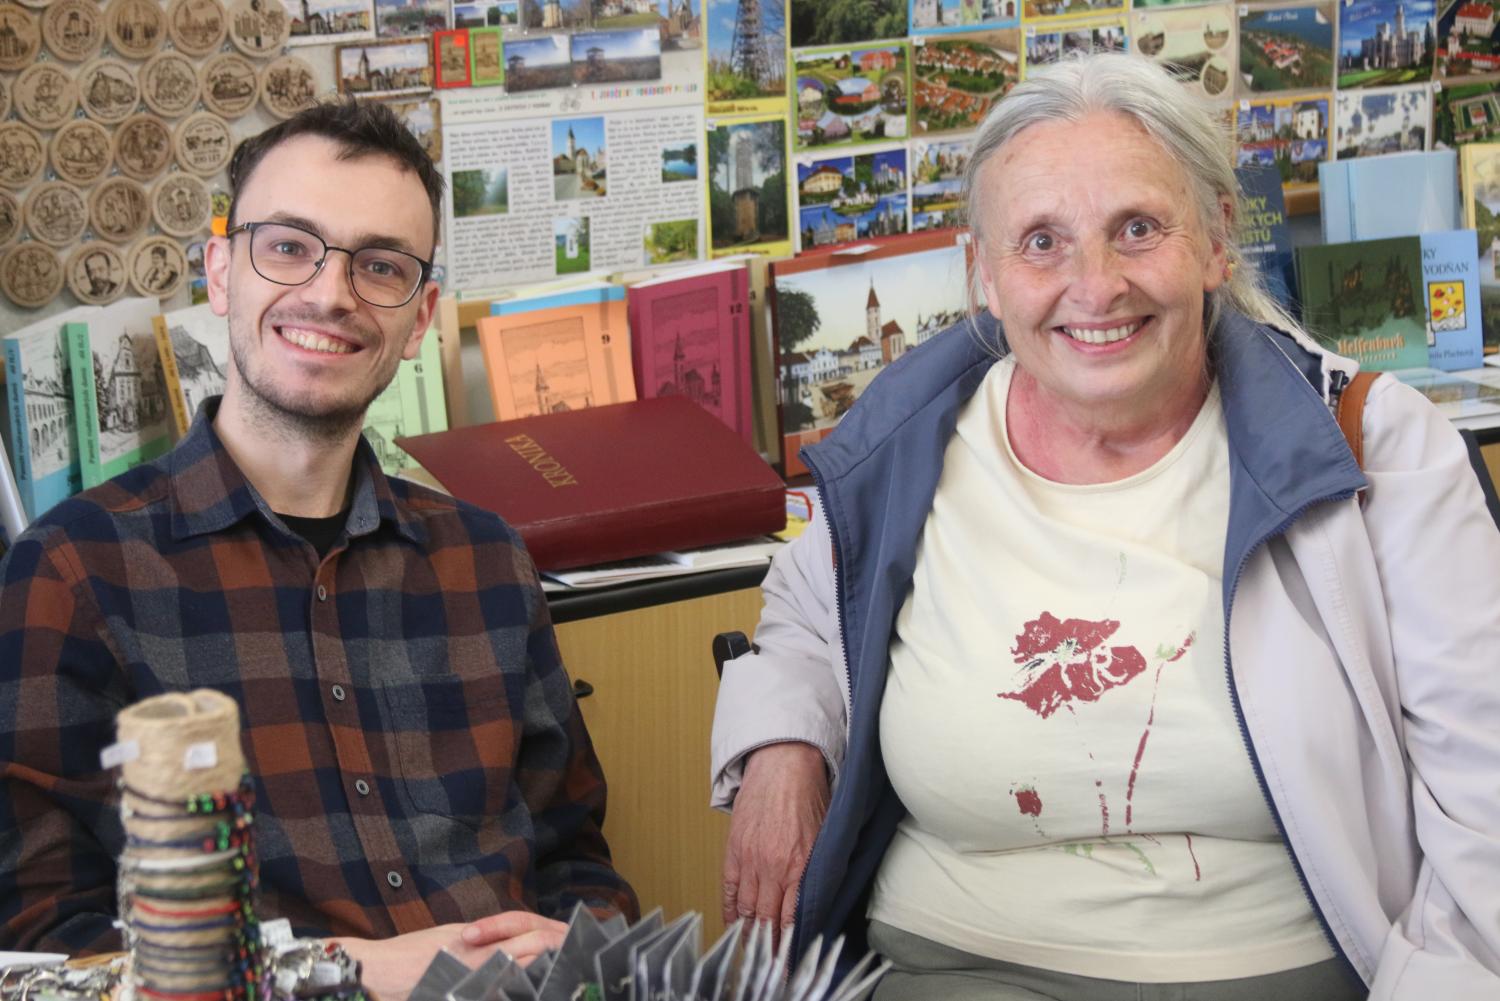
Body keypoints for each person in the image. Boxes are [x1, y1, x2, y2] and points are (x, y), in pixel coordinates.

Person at [710, 55, 1500, 1001]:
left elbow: (1486, 801)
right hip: (943, 970)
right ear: (984, 274)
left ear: (1216, 240)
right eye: (1042, 241)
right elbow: (809, 613)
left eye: (1137, 228)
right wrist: (784, 748)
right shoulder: (906, 442)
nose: (1096, 285)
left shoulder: (1371, 446)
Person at [0, 100, 638, 997]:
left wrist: (583, 945)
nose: (332, 293)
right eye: (290, 246)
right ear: (221, 273)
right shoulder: (73, 571)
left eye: (379, 265)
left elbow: (577, 860)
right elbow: (42, 950)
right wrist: (352, 971)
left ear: (420, 317)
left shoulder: (488, 560)